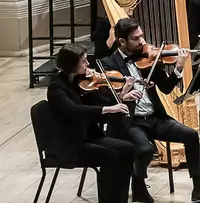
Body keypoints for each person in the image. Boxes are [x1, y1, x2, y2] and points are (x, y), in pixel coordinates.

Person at [99, 18, 200, 203]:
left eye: (142, 36)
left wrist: (178, 67)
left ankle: (199, 190)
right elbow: (104, 98)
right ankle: (139, 185)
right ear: (122, 42)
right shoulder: (108, 64)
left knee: (191, 135)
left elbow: (167, 87)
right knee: (145, 150)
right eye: (136, 39)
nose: (143, 42)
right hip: (130, 121)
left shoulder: (148, 59)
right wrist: (125, 92)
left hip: (154, 117)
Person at [46, 43, 136, 203]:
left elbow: (97, 106)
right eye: (84, 61)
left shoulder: (80, 82)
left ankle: (119, 198)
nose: (88, 65)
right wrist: (109, 109)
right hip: (70, 145)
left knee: (128, 149)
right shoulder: (56, 88)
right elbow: (76, 111)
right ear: (71, 65)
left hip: (87, 137)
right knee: (110, 156)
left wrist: (121, 96)